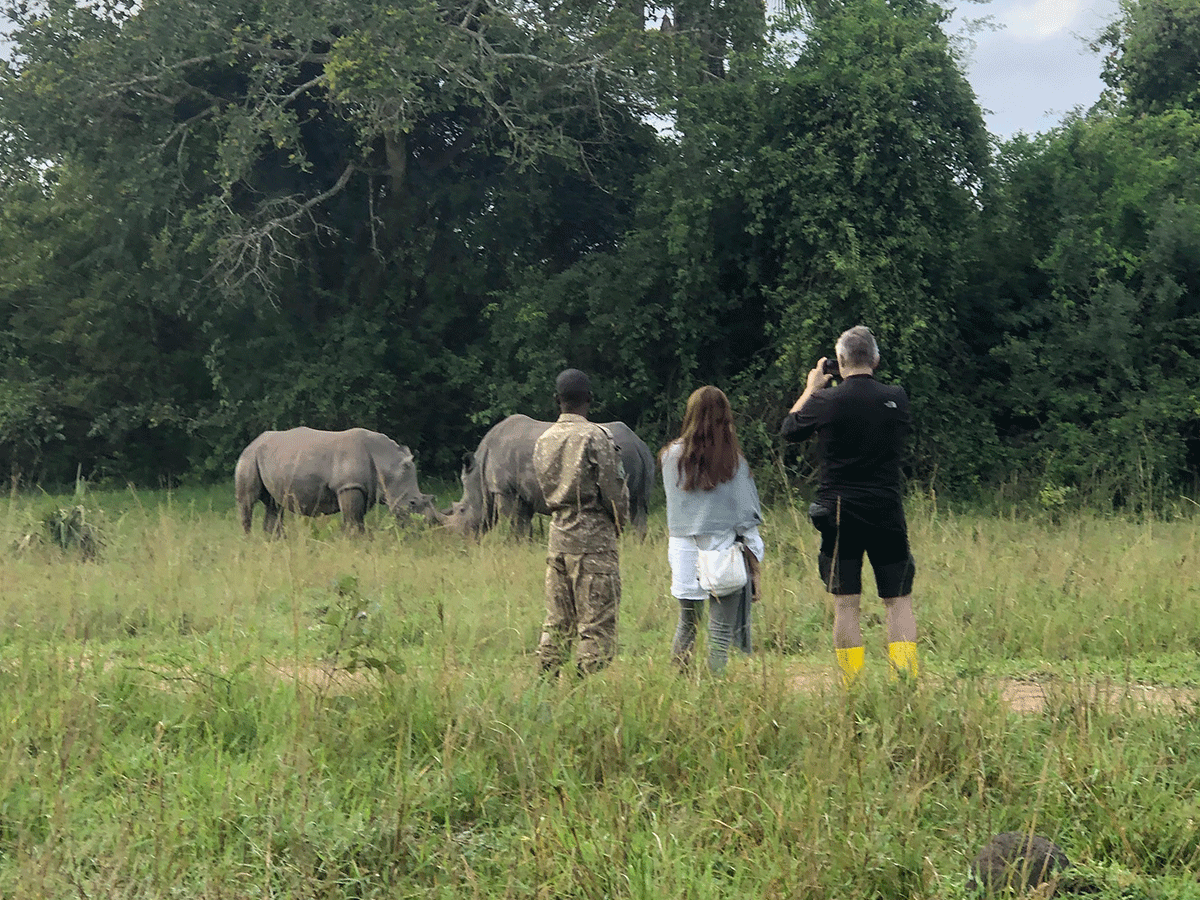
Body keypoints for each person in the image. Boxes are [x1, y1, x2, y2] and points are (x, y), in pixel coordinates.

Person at [780, 326, 918, 686]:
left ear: (839, 362)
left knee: (846, 603)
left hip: (839, 513)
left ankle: (851, 684)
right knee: (898, 600)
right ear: (875, 358)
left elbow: (790, 428)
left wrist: (812, 388)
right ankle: (904, 679)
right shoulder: (897, 398)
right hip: (887, 511)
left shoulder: (826, 402)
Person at [532, 369, 630, 676]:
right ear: (589, 399)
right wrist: (618, 522)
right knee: (597, 627)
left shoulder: (543, 440)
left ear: (556, 400)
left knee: (557, 623)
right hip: (594, 544)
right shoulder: (596, 437)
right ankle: (586, 693)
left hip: (558, 539)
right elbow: (613, 491)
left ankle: (545, 687)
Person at [660, 386, 764, 673]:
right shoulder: (734, 461)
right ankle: (713, 694)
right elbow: (747, 519)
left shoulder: (670, 457)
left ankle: (678, 684)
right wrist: (755, 567)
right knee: (719, 634)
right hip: (722, 553)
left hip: (683, 553)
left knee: (687, 624)